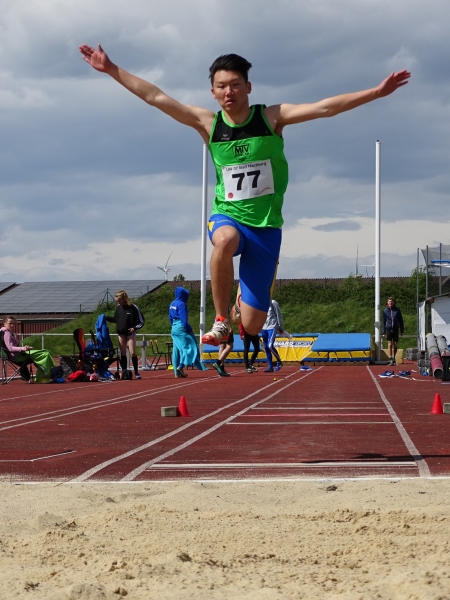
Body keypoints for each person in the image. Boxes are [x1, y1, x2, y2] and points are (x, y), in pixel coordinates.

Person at [79, 44, 410, 343]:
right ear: (213, 92)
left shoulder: (271, 118)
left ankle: (239, 307)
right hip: (228, 215)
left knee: (252, 326)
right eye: (222, 86)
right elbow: (156, 97)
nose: (229, 92)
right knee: (223, 241)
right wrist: (111, 69)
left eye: (236, 84)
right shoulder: (208, 124)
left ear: (248, 87)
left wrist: (376, 92)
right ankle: (221, 320)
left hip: (265, 228)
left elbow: (324, 108)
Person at [0, 316, 55, 383]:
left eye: (13, 323)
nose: (12, 325)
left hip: (17, 355)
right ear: (4, 324)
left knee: (44, 353)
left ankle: (42, 375)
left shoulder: (4, 332)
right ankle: (42, 377)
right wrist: (24, 348)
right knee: (45, 354)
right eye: (10, 323)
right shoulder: (7, 333)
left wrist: (24, 348)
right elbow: (10, 348)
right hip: (17, 357)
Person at [105, 290, 145, 379]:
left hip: (130, 333)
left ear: (124, 299)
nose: (118, 302)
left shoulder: (133, 307)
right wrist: (105, 317)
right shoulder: (118, 307)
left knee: (132, 352)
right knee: (122, 353)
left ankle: (136, 372)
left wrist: (134, 328)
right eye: (117, 301)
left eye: (119, 301)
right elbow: (115, 319)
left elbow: (141, 321)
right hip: (121, 333)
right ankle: (124, 372)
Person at [168, 287, 207, 378]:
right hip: (181, 327)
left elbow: (170, 317)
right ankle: (181, 366)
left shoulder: (172, 303)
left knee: (176, 350)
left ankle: (176, 373)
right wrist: (189, 329)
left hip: (174, 327)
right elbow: (184, 320)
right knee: (191, 347)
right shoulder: (182, 304)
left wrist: (173, 326)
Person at [262, 299, 284, 373]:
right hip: (264, 327)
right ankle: (270, 366)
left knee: (270, 346)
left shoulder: (273, 303)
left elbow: (278, 314)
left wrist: (280, 326)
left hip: (272, 326)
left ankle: (279, 361)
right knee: (266, 347)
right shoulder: (261, 303)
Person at [382, 297, 404, 366]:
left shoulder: (397, 310)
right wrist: (383, 332)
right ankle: (390, 358)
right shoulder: (385, 310)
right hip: (388, 328)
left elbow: (401, 321)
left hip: (395, 328)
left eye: (391, 301)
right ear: (387, 302)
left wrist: (402, 330)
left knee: (395, 344)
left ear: (393, 302)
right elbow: (383, 321)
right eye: (389, 301)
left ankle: (394, 357)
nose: (390, 303)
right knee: (389, 343)